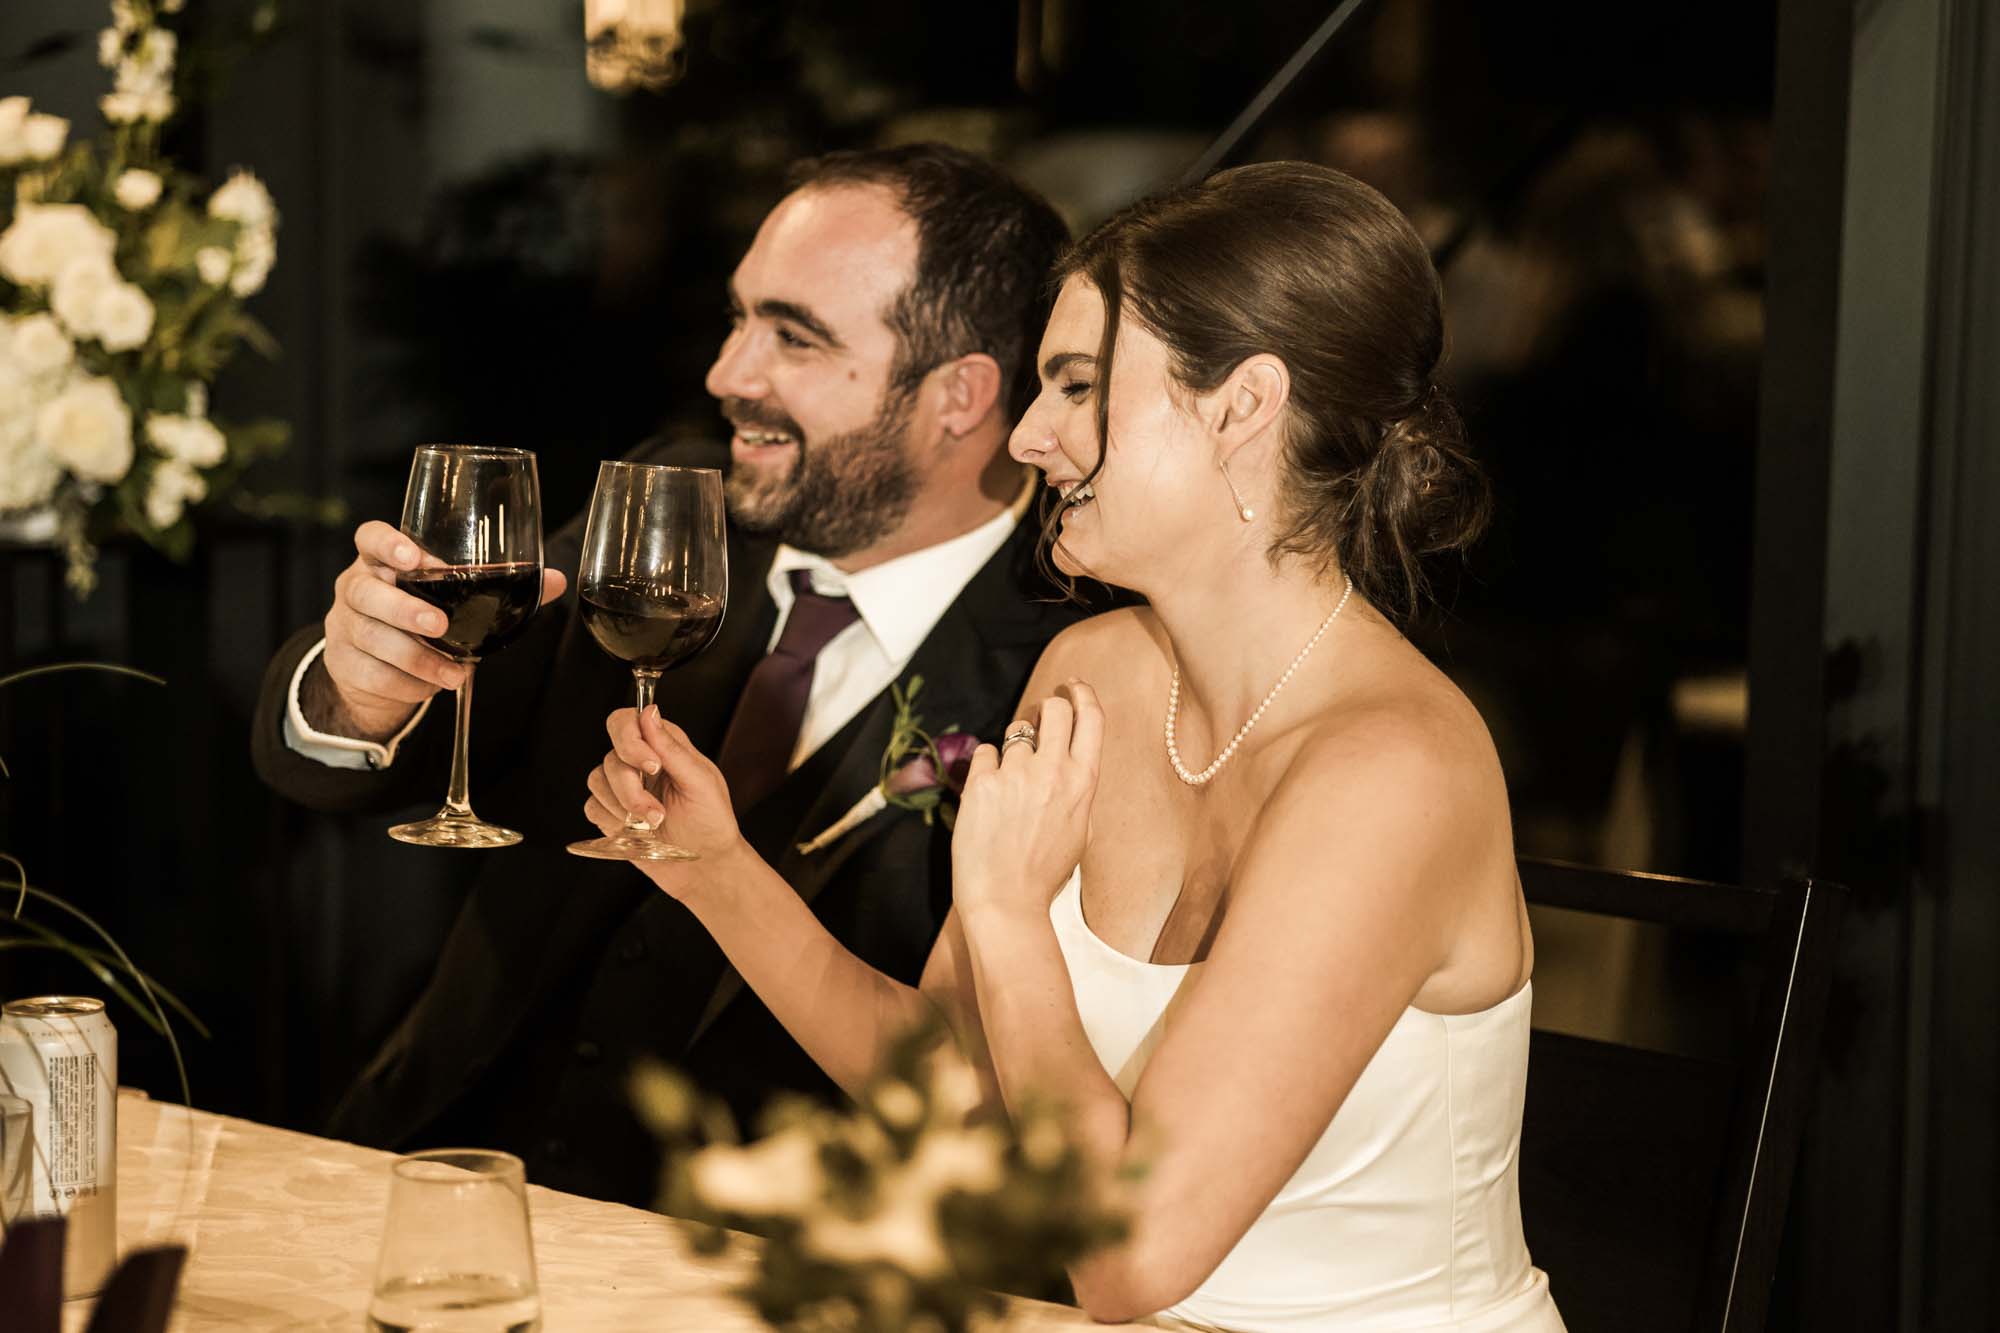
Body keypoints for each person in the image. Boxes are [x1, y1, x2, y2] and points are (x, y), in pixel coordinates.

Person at [583, 161, 1566, 1330]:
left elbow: (1130, 1259)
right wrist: (711, 865)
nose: (1033, 433)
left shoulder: (1390, 770)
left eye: (1076, 385)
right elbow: (946, 1090)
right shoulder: (1092, 673)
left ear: (1241, 406)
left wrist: (1002, 912)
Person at [249, 143, 1079, 1205]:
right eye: (738, 320)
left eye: (793, 336)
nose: (727, 374)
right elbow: (337, 759)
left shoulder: (1063, 665)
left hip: (768, 1260)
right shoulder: (663, 507)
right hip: (436, 1163)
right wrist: (359, 692)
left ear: (959, 394)